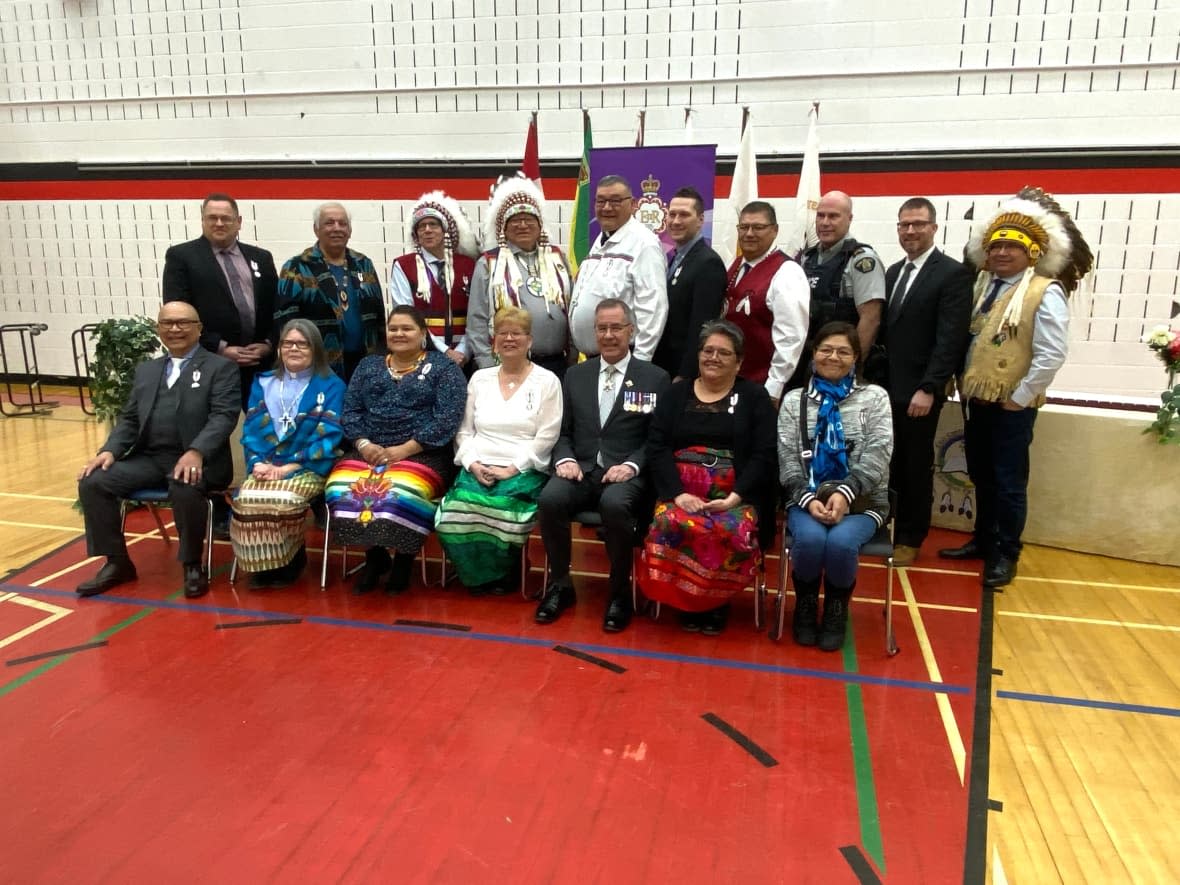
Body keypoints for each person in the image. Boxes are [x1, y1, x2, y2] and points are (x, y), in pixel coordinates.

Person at [939, 188, 1092, 588]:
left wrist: (1020, 398)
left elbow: (1051, 353)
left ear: (1033, 253)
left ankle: (1007, 553)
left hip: (1012, 405)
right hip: (977, 401)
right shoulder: (980, 287)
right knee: (982, 474)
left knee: (1008, 482)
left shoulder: (1045, 291)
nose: (1002, 252)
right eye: (996, 245)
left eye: (1012, 246)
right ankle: (984, 541)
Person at [76, 302, 240, 600]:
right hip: (151, 459)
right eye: (167, 323)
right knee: (94, 481)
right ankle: (117, 562)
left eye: (183, 322)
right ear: (158, 329)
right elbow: (130, 418)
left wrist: (196, 451)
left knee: (185, 482)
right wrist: (110, 450)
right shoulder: (147, 371)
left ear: (199, 328)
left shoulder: (221, 368)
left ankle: (193, 564)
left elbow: (223, 417)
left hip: (201, 461)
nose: (175, 329)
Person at [535, 299, 671, 632]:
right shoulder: (575, 375)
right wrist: (564, 458)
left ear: (631, 331)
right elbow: (561, 430)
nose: (609, 335)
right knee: (550, 499)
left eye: (616, 328)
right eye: (602, 328)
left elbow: (656, 439)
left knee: (615, 504)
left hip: (626, 472)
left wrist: (633, 466)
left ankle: (619, 592)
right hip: (581, 468)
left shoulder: (654, 377)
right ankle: (561, 584)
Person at [639, 321, 777, 635]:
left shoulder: (755, 398)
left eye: (724, 353)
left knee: (731, 529)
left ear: (739, 362)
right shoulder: (676, 394)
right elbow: (656, 446)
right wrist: (676, 494)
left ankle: (715, 602)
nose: (713, 357)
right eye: (707, 350)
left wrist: (736, 496)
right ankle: (681, 598)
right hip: (680, 493)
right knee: (669, 522)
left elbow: (764, 454)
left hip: (733, 497)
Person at [325, 305, 467, 595]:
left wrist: (405, 449)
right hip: (369, 450)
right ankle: (375, 557)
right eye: (393, 329)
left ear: (422, 333)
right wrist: (364, 445)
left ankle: (403, 559)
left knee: (398, 491)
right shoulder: (368, 366)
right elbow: (351, 412)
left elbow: (448, 418)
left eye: (407, 328)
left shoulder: (444, 368)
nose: (399, 333)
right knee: (340, 487)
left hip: (423, 452)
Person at [778, 322, 893, 651]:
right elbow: (787, 460)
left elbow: (878, 454)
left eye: (843, 351)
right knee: (812, 540)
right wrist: (809, 498)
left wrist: (845, 493)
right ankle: (805, 604)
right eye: (826, 349)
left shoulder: (875, 398)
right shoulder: (794, 401)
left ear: (856, 358)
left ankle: (836, 608)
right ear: (813, 354)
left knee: (841, 543)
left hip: (862, 500)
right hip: (806, 499)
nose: (833, 357)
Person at [435, 307, 563, 595]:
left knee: (502, 509)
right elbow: (464, 431)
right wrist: (472, 463)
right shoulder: (479, 378)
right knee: (453, 514)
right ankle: (476, 573)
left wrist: (512, 468)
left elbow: (547, 436)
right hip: (479, 464)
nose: (509, 339)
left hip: (523, 468)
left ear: (529, 340)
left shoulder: (547, 381)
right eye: (502, 333)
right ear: (493, 341)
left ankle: (506, 571)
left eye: (516, 333)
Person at [878, 198, 972, 566]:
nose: (910, 231)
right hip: (886, 388)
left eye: (918, 224)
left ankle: (910, 537)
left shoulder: (952, 274)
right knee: (886, 461)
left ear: (934, 227)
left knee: (914, 465)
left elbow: (950, 338)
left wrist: (930, 386)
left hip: (920, 391)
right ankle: (882, 524)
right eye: (904, 225)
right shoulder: (892, 272)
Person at [230, 320, 346, 588]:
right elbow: (251, 430)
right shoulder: (263, 382)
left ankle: (291, 560)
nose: (294, 348)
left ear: (315, 348)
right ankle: (263, 566)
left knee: (282, 499)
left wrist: (289, 467)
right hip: (266, 463)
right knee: (247, 498)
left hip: (309, 465)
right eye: (287, 343)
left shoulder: (332, 386)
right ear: (279, 349)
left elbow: (328, 434)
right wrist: (258, 462)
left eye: (302, 344)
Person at [162, 192, 279, 410]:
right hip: (209, 361)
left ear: (239, 222)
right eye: (212, 218)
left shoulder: (261, 258)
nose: (219, 223)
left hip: (259, 363)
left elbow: (277, 308)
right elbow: (177, 312)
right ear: (203, 221)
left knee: (264, 429)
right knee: (212, 431)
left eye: (226, 218)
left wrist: (268, 344)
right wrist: (220, 347)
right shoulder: (182, 257)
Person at [467, 176, 572, 378]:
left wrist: (574, 356)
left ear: (540, 225)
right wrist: (487, 365)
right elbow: (477, 319)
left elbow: (571, 307)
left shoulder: (557, 258)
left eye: (529, 219)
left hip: (558, 363)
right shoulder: (489, 263)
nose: (522, 225)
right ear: (504, 228)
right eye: (514, 220)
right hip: (507, 365)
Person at [273, 202, 385, 383]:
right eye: (329, 223)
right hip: (318, 365)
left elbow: (379, 316)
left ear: (349, 230)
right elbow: (285, 321)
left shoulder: (364, 264)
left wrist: (381, 355)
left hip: (366, 361)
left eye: (342, 223)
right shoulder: (297, 266)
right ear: (316, 229)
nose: (337, 228)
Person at [567, 175, 668, 361]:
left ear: (633, 204)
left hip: (624, 358)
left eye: (615, 201)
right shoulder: (602, 239)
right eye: (601, 201)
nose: (606, 208)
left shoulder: (644, 244)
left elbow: (653, 307)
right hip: (594, 359)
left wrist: (640, 362)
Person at [794, 191, 886, 390]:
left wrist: (852, 367)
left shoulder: (861, 260)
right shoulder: (806, 258)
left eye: (833, 216)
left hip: (840, 367)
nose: (825, 222)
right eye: (820, 215)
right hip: (807, 362)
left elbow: (871, 319)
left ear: (849, 219)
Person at [722, 200, 810, 408]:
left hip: (763, 387)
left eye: (758, 227)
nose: (749, 233)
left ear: (775, 230)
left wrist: (774, 388)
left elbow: (791, 337)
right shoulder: (735, 266)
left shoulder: (787, 272)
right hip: (730, 382)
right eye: (744, 227)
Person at [389, 191, 480, 371]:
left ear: (445, 230)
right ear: (416, 234)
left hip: (467, 357)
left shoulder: (469, 265)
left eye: (433, 225)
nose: (427, 230)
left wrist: (463, 351)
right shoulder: (404, 266)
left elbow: (478, 313)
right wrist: (445, 351)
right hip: (423, 355)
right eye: (421, 226)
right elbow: (406, 314)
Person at [652, 186, 728, 381]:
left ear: (700, 220)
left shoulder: (708, 263)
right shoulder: (675, 258)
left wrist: (686, 374)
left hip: (683, 373)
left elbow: (702, 327)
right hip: (663, 366)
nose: (676, 221)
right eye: (672, 214)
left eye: (684, 215)